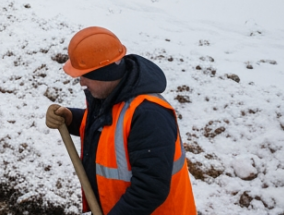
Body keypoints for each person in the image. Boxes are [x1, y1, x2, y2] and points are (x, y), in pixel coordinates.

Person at [45, 26, 197, 215]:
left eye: (85, 76)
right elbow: (109, 130)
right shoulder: (112, 96)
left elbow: (149, 188)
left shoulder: (149, 115)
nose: (82, 82)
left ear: (103, 73)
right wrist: (70, 118)